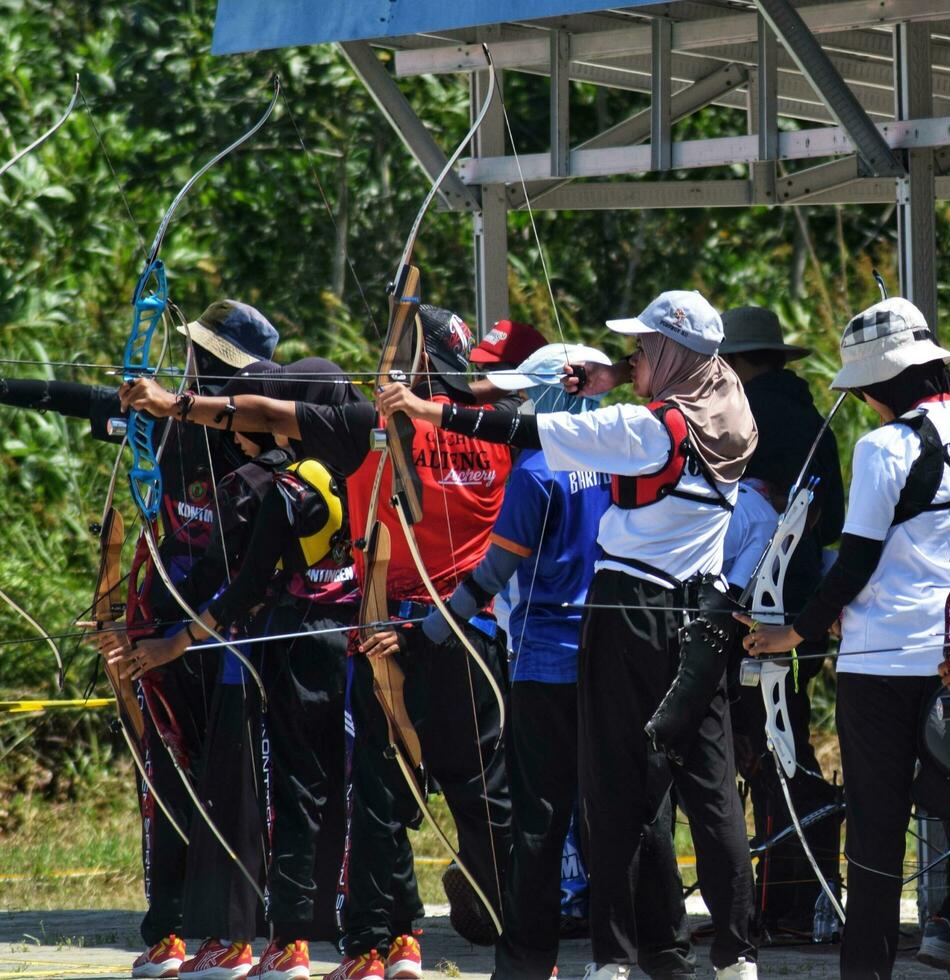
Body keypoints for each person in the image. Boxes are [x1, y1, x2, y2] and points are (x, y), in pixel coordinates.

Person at [119, 305, 513, 980]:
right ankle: (433, 940)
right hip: (446, 628)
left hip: (350, 639)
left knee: (331, 795)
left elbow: (246, 575)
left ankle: (305, 942)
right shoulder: (428, 436)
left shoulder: (301, 479)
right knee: (467, 794)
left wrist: (177, 640)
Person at [379, 290, 759, 980]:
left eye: (645, 349)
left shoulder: (621, 441)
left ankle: (572, 959)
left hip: (592, 641)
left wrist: (421, 408)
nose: (635, 358)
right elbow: (682, 373)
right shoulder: (729, 413)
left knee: (569, 810)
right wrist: (613, 371)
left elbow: (508, 463)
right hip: (696, 618)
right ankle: (702, 954)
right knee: (692, 796)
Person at [742, 296, 950, 980]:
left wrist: (795, 631)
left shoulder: (884, 447)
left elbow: (854, 560)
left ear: (881, 385)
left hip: (883, 667)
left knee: (875, 841)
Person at [0, 299, 279, 978]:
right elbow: (85, 400)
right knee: (168, 778)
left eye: (198, 355)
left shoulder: (268, 434)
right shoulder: (162, 418)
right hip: (162, 627)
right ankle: (172, 930)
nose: (185, 362)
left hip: (231, 632)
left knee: (238, 786)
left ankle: (239, 933)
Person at [109, 358, 359, 980]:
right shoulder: (352, 473)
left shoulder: (276, 488)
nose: (243, 422)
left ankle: (258, 940)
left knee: (253, 798)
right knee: (318, 793)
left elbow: (242, 587)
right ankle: (329, 940)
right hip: (336, 650)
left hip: (260, 657)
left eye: (256, 411)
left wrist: (170, 637)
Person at [398, 341, 612, 980]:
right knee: (610, 804)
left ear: (552, 395)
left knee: (539, 815)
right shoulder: (617, 459)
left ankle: (525, 962)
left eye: (523, 393)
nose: (513, 402)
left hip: (545, 656)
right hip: (610, 654)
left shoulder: (535, 471)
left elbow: (493, 571)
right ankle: (619, 953)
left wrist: (433, 628)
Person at [718, 305, 845, 936]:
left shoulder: (745, 418)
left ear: (735, 364)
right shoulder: (816, 420)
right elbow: (827, 533)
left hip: (751, 617)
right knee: (781, 752)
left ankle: (776, 904)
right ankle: (792, 898)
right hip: (805, 615)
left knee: (757, 758)